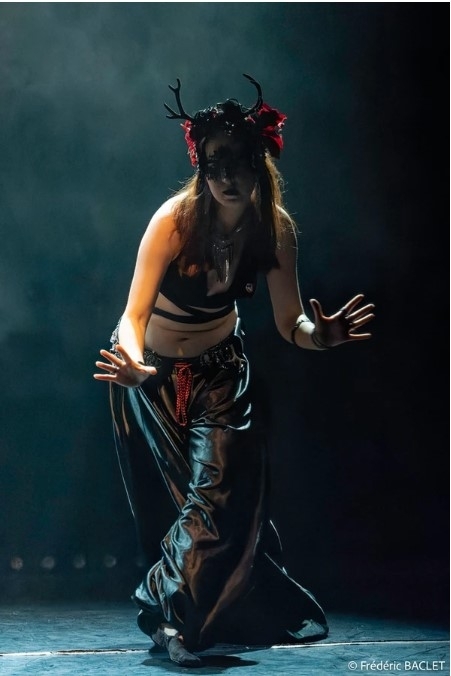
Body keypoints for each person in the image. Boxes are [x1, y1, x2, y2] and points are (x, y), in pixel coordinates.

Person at [94, 74, 374, 667]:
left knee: (225, 496)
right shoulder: (174, 221)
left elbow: (291, 321)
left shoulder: (274, 229)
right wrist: (137, 365)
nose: (226, 177)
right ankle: (174, 619)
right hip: (150, 374)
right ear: (200, 167)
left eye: (238, 162)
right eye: (214, 164)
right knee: (186, 501)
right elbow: (133, 315)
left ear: (259, 162)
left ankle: (172, 613)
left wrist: (319, 336)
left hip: (221, 372)